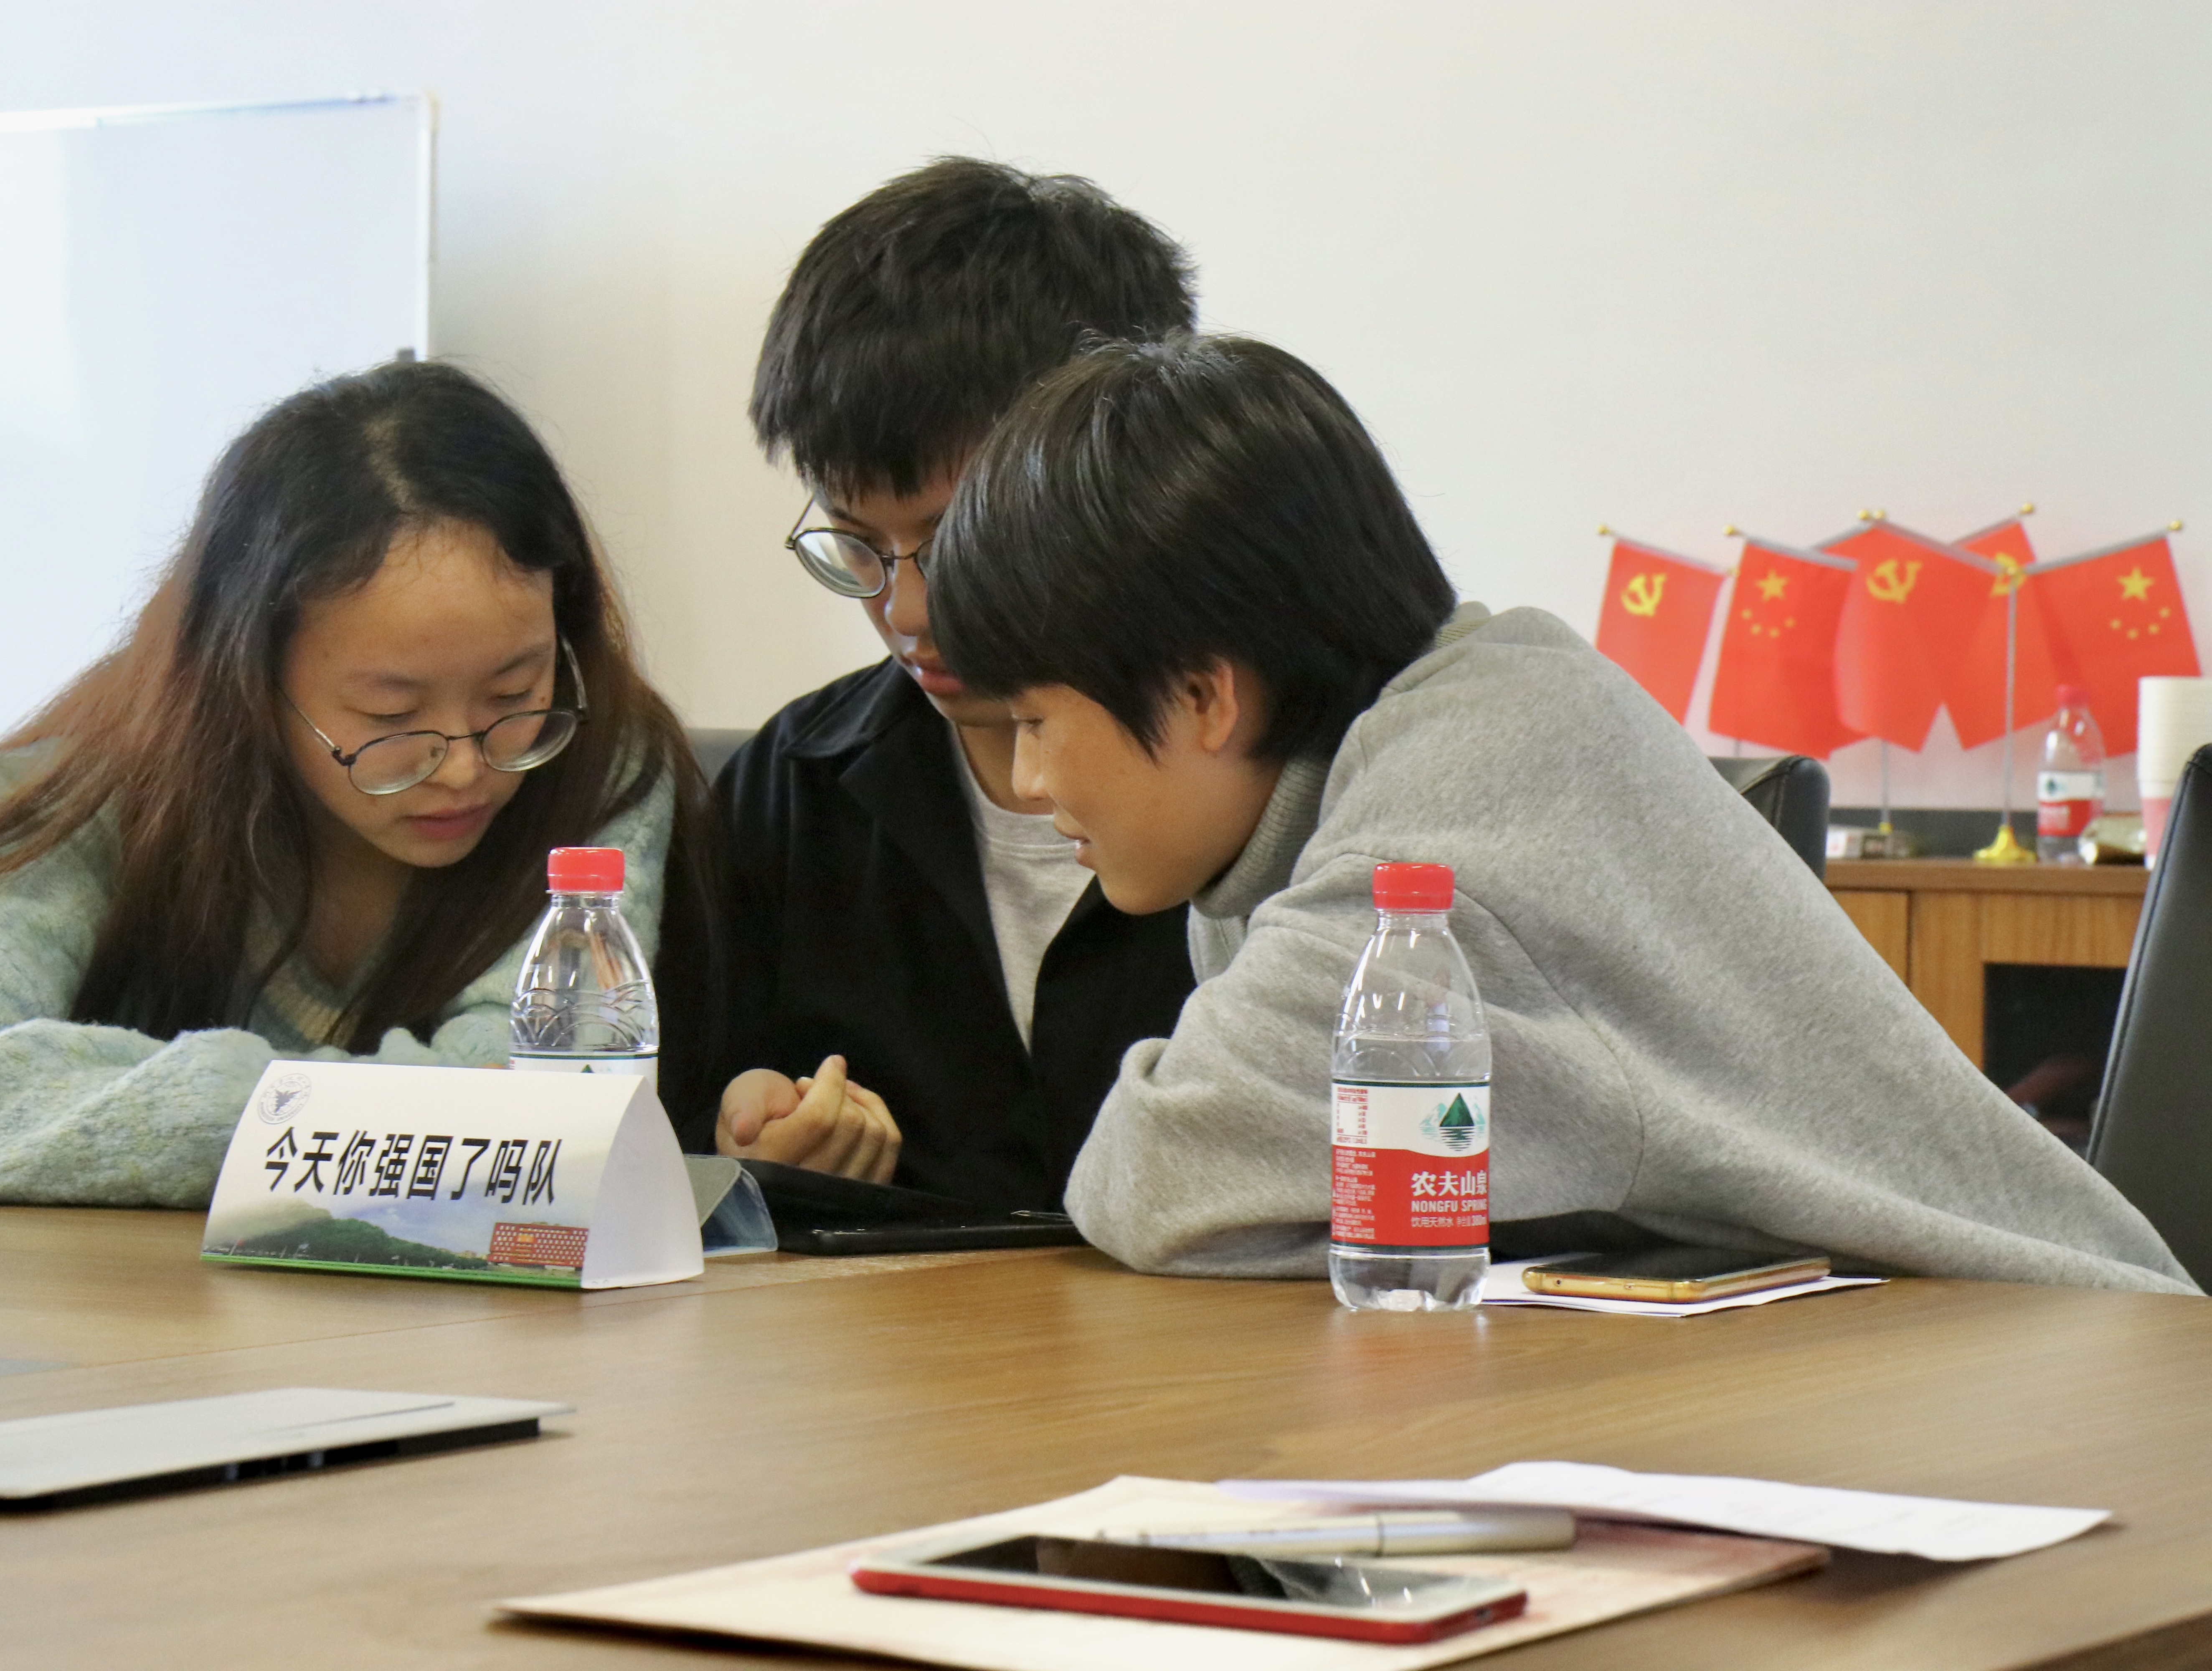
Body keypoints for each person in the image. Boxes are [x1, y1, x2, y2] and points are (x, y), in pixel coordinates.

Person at [927, 331, 2194, 1293]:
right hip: (1888, 1356)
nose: (1028, 783)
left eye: (1033, 720)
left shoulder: (1440, 835)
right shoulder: (1426, 729)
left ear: (1204, 694)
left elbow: (1157, 1178)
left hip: (2048, 1377)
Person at [0, 359, 705, 1208]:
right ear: (247, 682)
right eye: (392, 716)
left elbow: (534, 1109)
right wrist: (267, 1109)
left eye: (515, 693)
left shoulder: (601, 764)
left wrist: (201, 1115)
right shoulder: (86, 786)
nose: (468, 766)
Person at [657, 158, 1202, 1208]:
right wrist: (755, 1149)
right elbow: (690, 1138)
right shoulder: (791, 792)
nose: (907, 611)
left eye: (960, 540)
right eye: (857, 545)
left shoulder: (1285, 788)